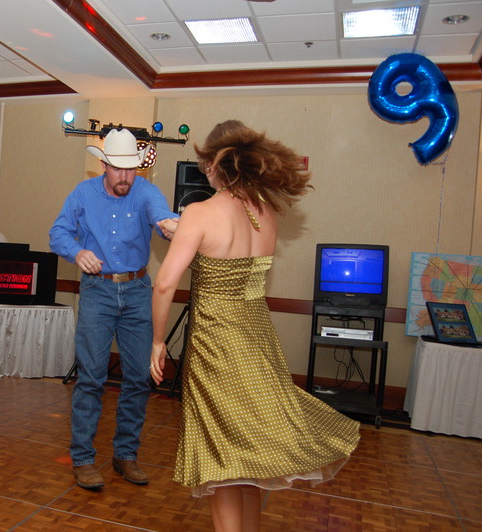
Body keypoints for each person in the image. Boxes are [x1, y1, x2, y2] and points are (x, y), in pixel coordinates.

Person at [150, 120, 360, 531]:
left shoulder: (200, 212)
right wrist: (186, 234)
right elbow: (232, 266)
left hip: (217, 346)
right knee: (248, 459)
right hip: (258, 340)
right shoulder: (266, 212)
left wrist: (158, 342)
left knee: (222, 458)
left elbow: (164, 284)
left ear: (214, 164)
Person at [49, 128, 179, 490]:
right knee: (91, 378)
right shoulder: (83, 193)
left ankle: (125, 455)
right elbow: (58, 232)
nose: (124, 177)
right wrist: (77, 251)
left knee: (138, 377)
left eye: (130, 169)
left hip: (137, 291)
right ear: (104, 165)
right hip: (97, 290)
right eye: (117, 169)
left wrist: (171, 225)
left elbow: (161, 215)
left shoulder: (146, 192)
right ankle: (83, 459)